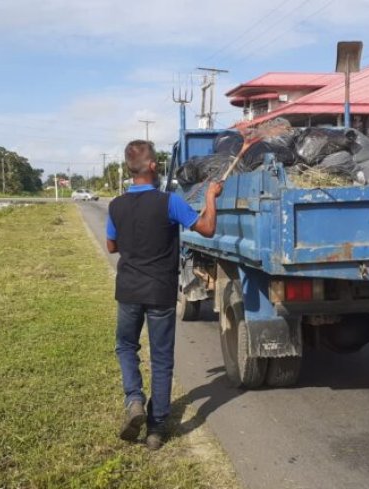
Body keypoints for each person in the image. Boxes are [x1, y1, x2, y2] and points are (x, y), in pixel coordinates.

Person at [106, 140, 221, 450]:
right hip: (160, 292)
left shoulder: (115, 205)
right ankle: (156, 430)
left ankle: (134, 401)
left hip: (129, 290)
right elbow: (208, 228)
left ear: (130, 170)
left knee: (126, 346)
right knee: (161, 359)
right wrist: (210, 196)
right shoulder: (169, 203)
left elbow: (111, 247)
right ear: (153, 167)